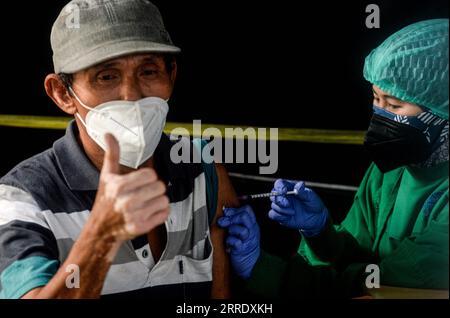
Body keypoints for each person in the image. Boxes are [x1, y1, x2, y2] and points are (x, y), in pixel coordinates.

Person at [0, 0, 239, 299]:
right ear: (62, 93)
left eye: (148, 71)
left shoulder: (202, 169)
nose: (132, 96)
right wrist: (101, 238)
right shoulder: (21, 198)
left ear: (172, 74)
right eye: (107, 76)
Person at [218, 19, 449, 298]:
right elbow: (360, 254)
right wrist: (320, 233)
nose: (380, 114)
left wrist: (263, 270)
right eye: (376, 98)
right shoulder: (391, 170)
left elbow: (376, 286)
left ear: (442, 111)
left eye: (394, 105)